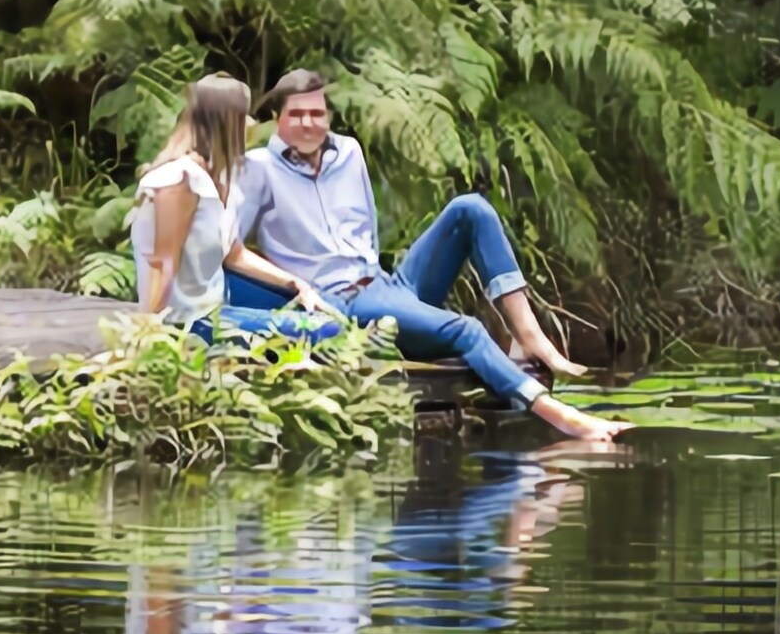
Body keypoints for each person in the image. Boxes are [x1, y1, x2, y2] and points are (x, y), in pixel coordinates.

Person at [225, 68, 621, 443]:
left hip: (385, 285)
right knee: (467, 330)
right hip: (342, 303)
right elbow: (229, 249)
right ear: (276, 118)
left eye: (316, 113)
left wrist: (388, 289)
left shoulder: (349, 153)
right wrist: (295, 284)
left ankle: (530, 337)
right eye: (296, 114)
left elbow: (366, 234)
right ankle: (560, 415)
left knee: (471, 208)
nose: (308, 123)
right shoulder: (258, 169)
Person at [128, 73, 336, 338]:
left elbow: (233, 254)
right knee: (324, 329)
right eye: (244, 116)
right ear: (228, 123)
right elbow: (162, 263)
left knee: (322, 305)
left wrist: (297, 284)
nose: (251, 123)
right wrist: (147, 335)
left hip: (219, 299)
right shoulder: (179, 181)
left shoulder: (221, 178)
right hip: (190, 322)